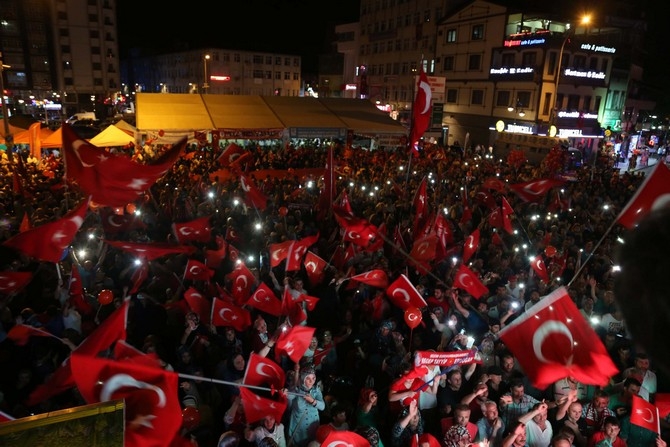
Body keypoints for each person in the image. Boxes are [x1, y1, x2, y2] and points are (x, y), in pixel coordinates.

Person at [284, 366, 325, 447]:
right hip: (298, 429)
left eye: (313, 378)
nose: (311, 381)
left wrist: (313, 401)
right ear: (303, 379)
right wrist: (285, 392)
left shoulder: (316, 390)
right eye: (308, 378)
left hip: (312, 427)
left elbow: (322, 406)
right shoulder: (296, 390)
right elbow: (289, 396)